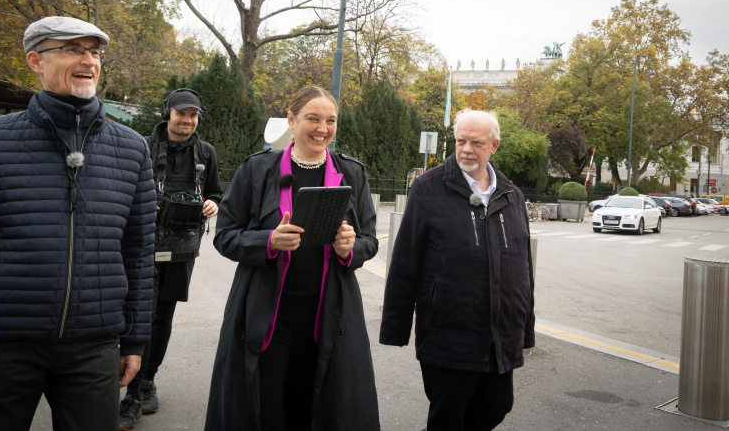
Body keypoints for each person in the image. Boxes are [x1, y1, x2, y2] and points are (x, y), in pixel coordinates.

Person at [0, 16, 156, 430]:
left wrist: (136, 339)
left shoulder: (133, 149)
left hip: (95, 345)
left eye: (95, 51)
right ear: (35, 60)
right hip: (1, 344)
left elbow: (138, 254)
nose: (88, 60)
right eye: (72, 49)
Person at [205, 86, 380, 430]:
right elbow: (225, 235)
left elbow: (369, 241)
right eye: (312, 118)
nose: (322, 128)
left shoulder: (352, 173)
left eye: (330, 120)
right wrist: (268, 240)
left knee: (315, 408)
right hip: (267, 315)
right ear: (292, 120)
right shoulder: (258, 169)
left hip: (328, 316)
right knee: (265, 408)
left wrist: (350, 249)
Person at [380, 109, 535, 431]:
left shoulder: (512, 195)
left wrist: (525, 329)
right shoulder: (428, 189)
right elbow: (405, 262)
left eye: (476, 142)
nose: (466, 149)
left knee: (497, 405)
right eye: (460, 141)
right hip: (448, 332)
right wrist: (395, 328)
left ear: (494, 145)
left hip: (499, 332)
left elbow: (524, 268)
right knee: (449, 415)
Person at [118, 89, 222, 430]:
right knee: (139, 315)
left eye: (193, 115)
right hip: (142, 245)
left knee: (162, 317)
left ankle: (147, 380)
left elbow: (216, 191)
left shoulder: (206, 153)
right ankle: (132, 391)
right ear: (169, 113)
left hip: (182, 249)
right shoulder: (143, 147)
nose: (187, 120)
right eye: (182, 113)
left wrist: (213, 203)